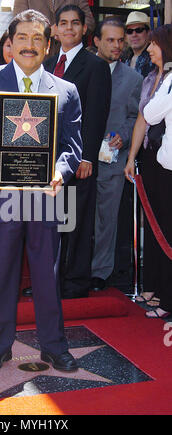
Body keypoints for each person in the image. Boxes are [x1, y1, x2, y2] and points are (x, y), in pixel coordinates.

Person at [0, 9, 83, 372]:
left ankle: (54, 345)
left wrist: (59, 172)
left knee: (47, 272)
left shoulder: (66, 90)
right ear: (10, 43)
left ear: (48, 44)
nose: (30, 45)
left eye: (37, 38)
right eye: (22, 38)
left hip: (46, 198)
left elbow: (73, 146)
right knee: (2, 271)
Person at [44, 4, 111, 299]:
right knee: (49, 222)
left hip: (77, 158)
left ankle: (75, 282)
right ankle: (51, 281)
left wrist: (87, 156)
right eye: (63, 23)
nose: (69, 28)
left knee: (77, 222)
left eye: (75, 23)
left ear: (85, 29)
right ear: (55, 29)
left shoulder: (95, 66)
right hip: (46, 161)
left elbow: (97, 114)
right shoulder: (45, 63)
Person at [90, 18, 143, 291]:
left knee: (106, 220)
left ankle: (100, 272)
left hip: (112, 158)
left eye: (120, 40)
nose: (117, 45)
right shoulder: (83, 69)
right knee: (74, 217)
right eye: (110, 40)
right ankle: (70, 268)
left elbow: (137, 116)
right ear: (96, 41)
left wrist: (123, 134)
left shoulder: (134, 79)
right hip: (80, 159)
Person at [124, 24, 172, 318]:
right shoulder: (152, 78)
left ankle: (167, 297)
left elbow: (151, 113)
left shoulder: (169, 80)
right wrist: (132, 156)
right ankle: (158, 288)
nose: (149, 49)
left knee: (166, 230)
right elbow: (145, 119)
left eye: (154, 43)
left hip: (167, 164)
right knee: (158, 227)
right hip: (155, 160)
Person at [121, 11, 154, 79]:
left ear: (148, 33)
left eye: (139, 30)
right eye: (129, 31)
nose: (134, 35)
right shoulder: (123, 58)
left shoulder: (154, 58)